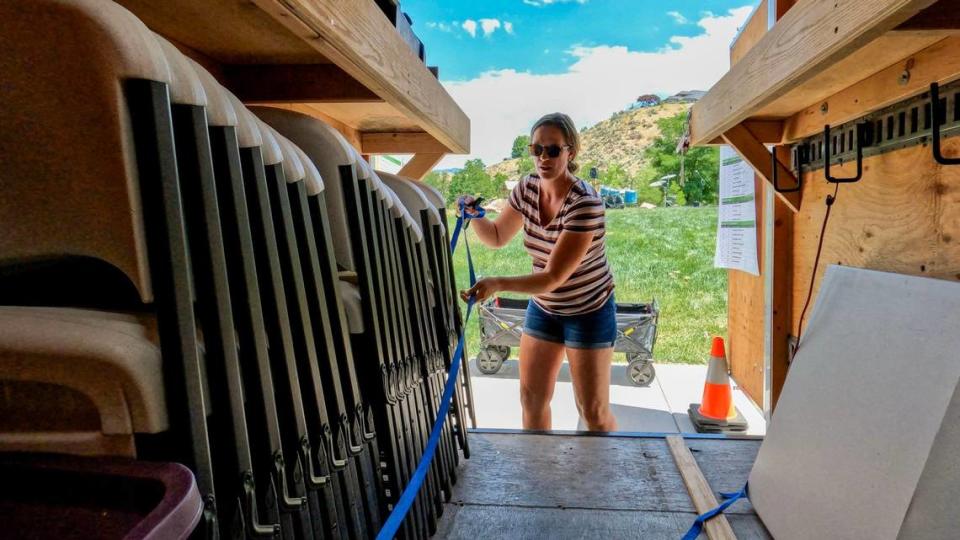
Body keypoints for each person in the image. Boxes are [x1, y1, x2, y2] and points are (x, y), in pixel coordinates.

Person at [459, 112, 617, 432]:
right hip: (545, 308)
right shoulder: (527, 188)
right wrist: (475, 215)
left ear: (570, 152)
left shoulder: (585, 203)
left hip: (588, 309)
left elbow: (552, 277)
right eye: (536, 150)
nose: (543, 157)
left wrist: (497, 284)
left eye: (553, 150)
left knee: (593, 412)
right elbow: (497, 237)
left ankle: (606, 472)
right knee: (532, 399)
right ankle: (538, 473)